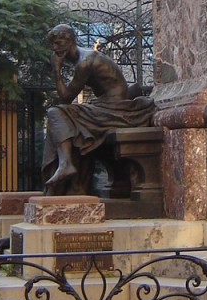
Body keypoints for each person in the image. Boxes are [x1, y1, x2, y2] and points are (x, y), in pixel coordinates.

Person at [42, 25, 154, 195]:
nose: (55, 49)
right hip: (104, 106)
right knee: (67, 121)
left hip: (115, 109)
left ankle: (66, 164)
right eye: (53, 45)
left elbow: (65, 98)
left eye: (58, 43)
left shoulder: (85, 62)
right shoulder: (83, 58)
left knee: (56, 112)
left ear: (70, 40)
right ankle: (72, 182)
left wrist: (56, 70)